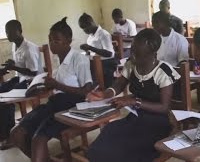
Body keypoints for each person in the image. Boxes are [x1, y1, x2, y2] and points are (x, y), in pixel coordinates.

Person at [86, 28, 180, 162]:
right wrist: (105, 94)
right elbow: (119, 84)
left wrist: (134, 102)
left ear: (152, 54)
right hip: (136, 117)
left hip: (158, 122)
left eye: (137, 54)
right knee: (110, 131)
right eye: (132, 51)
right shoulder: (131, 65)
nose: (132, 56)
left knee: (127, 147)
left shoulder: (163, 72)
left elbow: (164, 107)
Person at [10, 17, 93, 162]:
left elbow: (86, 91)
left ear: (68, 40)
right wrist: (41, 87)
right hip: (53, 104)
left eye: (56, 40)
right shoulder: (57, 60)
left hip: (71, 107)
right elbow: (55, 87)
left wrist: (57, 85)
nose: (52, 44)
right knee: (16, 133)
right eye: (50, 40)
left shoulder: (78, 59)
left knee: (38, 139)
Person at [0, 20, 42, 150]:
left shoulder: (29, 48)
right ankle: (3, 132)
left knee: (6, 100)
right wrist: (10, 66)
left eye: (10, 32)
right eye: (7, 32)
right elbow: (20, 65)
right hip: (21, 79)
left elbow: (33, 72)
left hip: (32, 82)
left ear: (20, 31)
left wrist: (15, 67)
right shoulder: (15, 45)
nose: (8, 35)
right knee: (1, 93)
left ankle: (9, 136)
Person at [79, 12, 117, 87]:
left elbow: (109, 54)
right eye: (82, 29)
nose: (84, 31)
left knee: (92, 76)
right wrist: (87, 51)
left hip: (106, 63)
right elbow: (92, 53)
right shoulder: (90, 37)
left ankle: (99, 88)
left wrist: (90, 48)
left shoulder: (103, 34)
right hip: (95, 62)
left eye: (85, 27)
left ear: (91, 23)